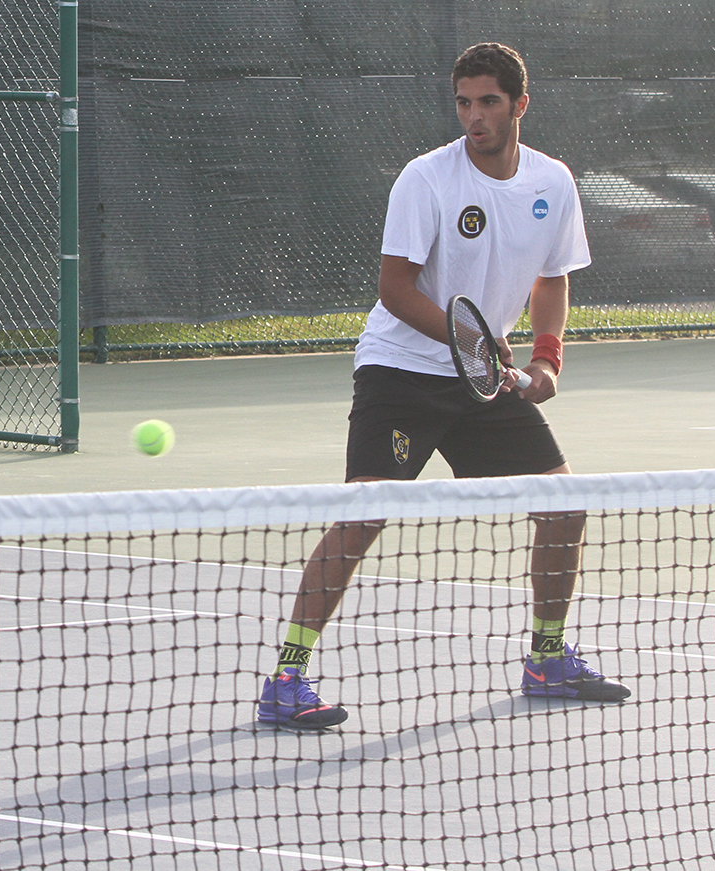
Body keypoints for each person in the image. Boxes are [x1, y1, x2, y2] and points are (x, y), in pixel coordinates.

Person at [256, 43, 631, 731]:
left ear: (520, 103)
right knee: (365, 515)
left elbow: (553, 279)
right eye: (463, 102)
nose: (474, 116)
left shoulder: (552, 183)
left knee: (565, 503)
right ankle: (287, 675)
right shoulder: (426, 179)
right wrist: (477, 345)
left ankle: (546, 659)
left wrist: (547, 359)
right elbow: (394, 287)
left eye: (488, 101)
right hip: (401, 371)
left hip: (479, 380)